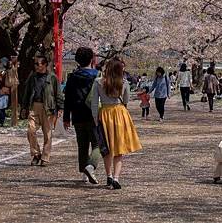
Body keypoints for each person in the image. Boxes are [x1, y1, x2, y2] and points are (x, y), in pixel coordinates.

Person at [90, 59, 142, 189]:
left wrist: (95, 118)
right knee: (119, 149)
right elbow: (126, 100)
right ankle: (116, 178)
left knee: (106, 149)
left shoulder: (98, 82)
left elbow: (94, 103)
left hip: (104, 114)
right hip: (119, 114)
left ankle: (108, 175)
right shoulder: (124, 82)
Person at [63, 47, 100, 184]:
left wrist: (66, 117)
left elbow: (67, 98)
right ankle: (90, 166)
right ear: (92, 59)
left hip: (77, 115)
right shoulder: (97, 76)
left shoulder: (72, 77)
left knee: (82, 145)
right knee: (98, 144)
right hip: (93, 114)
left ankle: (83, 173)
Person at [20, 55, 64, 167]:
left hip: (48, 108)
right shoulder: (32, 77)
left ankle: (45, 157)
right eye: (35, 64)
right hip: (34, 106)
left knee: (47, 134)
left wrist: (60, 107)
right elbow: (27, 92)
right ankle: (36, 154)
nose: (36, 66)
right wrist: (24, 107)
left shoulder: (52, 78)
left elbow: (58, 94)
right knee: (30, 131)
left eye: (38, 64)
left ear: (44, 64)